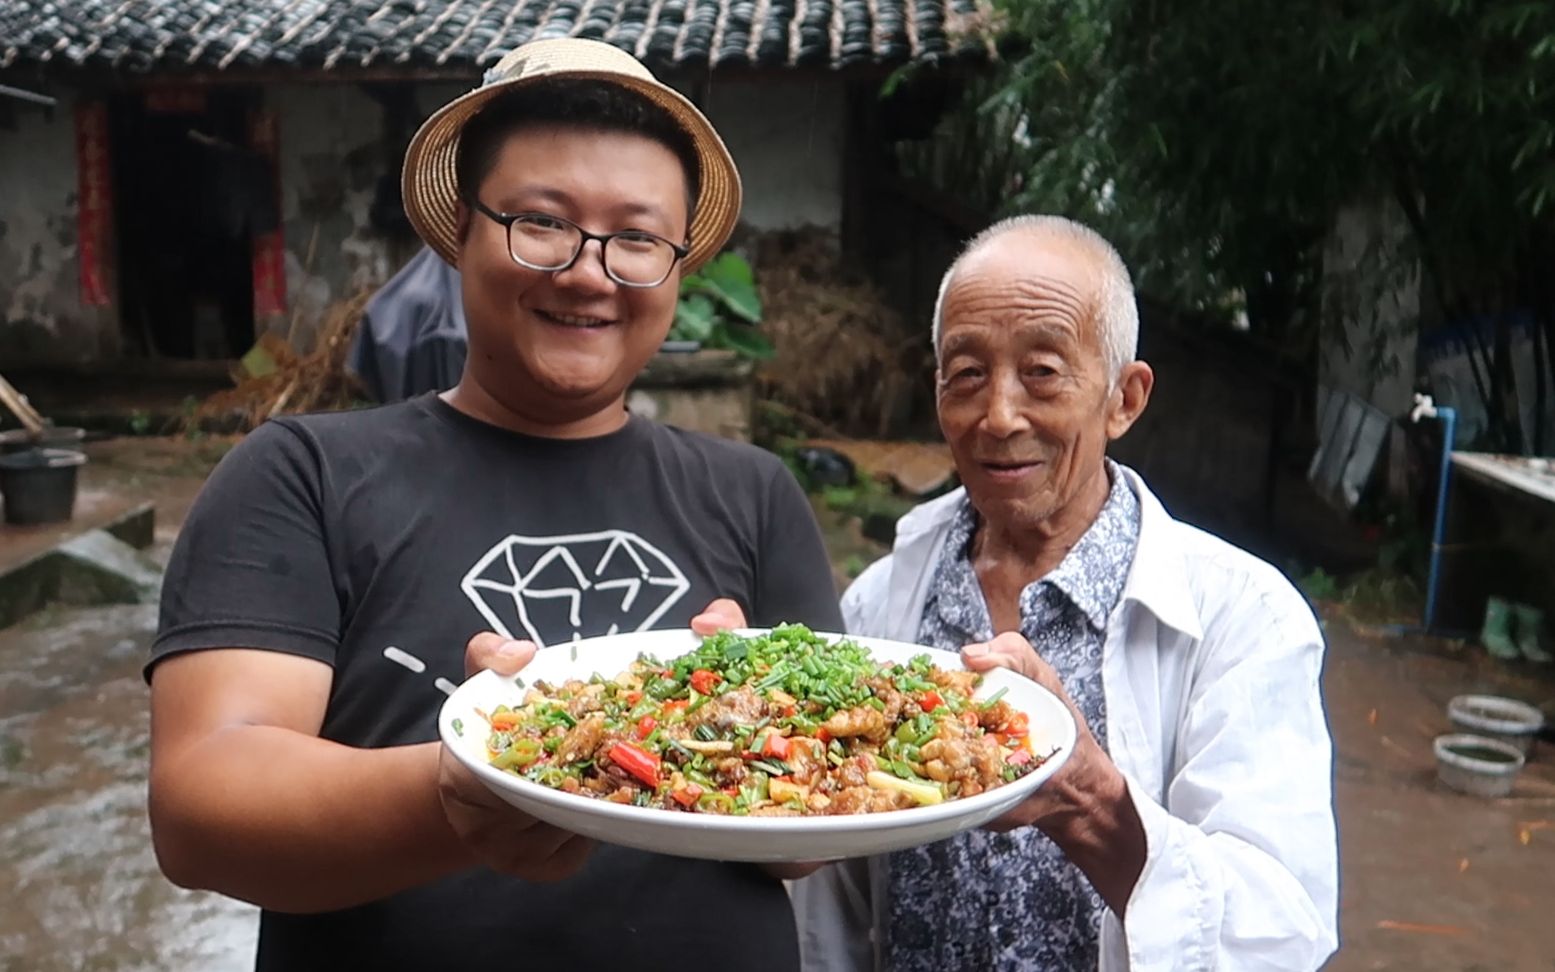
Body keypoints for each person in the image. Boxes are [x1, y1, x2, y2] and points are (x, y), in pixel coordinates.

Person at [146, 38, 841, 972]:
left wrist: (748, 731)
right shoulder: (301, 474)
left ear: (675, 269)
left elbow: (811, 842)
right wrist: (471, 786)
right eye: (541, 222)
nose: (590, 272)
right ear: (461, 234)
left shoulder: (754, 493)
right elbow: (201, 806)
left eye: (636, 237)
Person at [792, 215, 1339, 971]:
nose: (1000, 416)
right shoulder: (882, 602)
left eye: (1043, 372)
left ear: (1123, 398)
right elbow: (835, 910)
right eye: (967, 375)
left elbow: (1279, 933)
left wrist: (1088, 799)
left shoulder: (1242, 617)